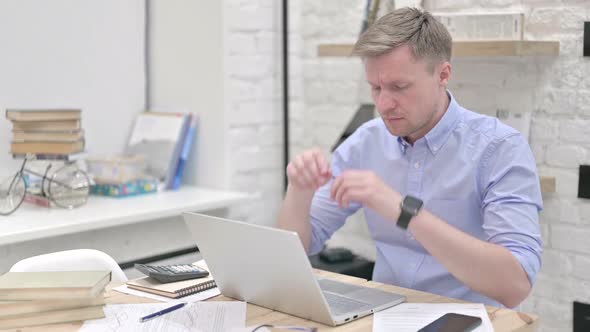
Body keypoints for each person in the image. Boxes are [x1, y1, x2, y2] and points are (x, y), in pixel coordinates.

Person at [277, 7, 542, 308]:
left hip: (466, 321)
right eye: (375, 88)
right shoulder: (367, 140)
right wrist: (298, 190)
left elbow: (515, 285)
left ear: (443, 74)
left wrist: (403, 211)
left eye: (399, 87)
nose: (384, 104)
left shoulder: (499, 148)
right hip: (385, 317)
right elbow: (298, 249)